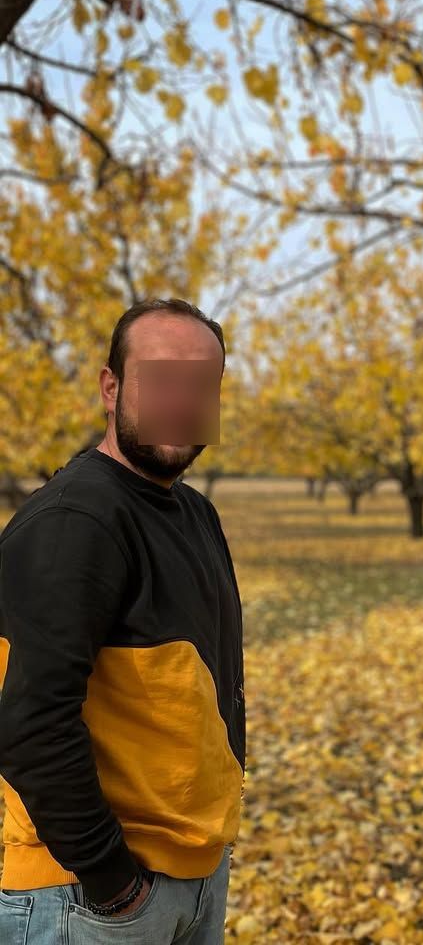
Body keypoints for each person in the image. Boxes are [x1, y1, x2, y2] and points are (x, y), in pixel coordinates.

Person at [0, 298, 245, 943]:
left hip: (191, 876)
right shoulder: (74, 524)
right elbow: (29, 725)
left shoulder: (195, 514)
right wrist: (116, 885)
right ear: (111, 387)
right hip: (90, 896)